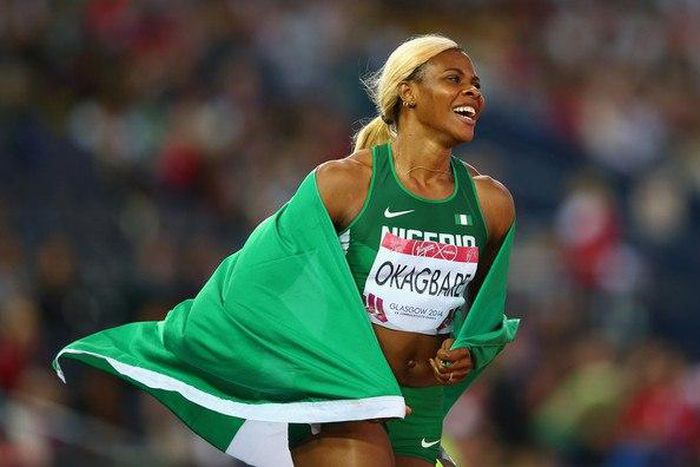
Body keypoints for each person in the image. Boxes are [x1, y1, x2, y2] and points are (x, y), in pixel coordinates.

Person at [290, 34, 515, 467]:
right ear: (408, 92)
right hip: (345, 391)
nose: (473, 91)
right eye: (454, 79)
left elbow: (484, 313)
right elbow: (273, 273)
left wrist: (468, 351)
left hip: (421, 403)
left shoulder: (491, 203)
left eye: (477, 84)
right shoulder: (343, 183)